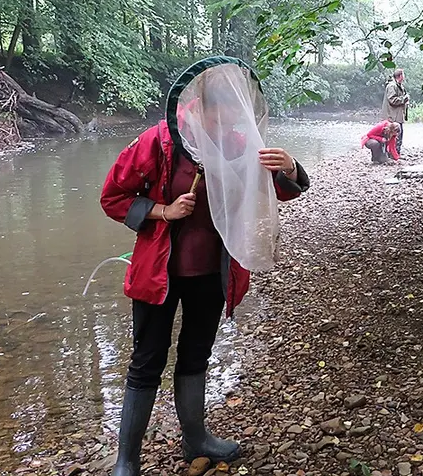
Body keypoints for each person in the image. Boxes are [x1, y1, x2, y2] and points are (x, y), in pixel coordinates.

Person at [100, 57, 310, 476]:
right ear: (199, 106)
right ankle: (127, 460)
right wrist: (163, 209)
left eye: (239, 109)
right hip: (159, 273)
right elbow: (112, 197)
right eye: (225, 109)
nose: (234, 119)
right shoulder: (158, 141)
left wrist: (289, 168)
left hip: (213, 272)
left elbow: (281, 192)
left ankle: (195, 438)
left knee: (196, 354)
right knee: (147, 360)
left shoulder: (238, 143)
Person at [380, 68, 409, 154]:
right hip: (392, 116)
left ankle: (395, 153)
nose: (404, 77)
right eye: (403, 75)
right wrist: (404, 98)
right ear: (400, 76)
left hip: (397, 115)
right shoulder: (392, 86)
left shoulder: (398, 85)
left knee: (398, 135)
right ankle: (392, 153)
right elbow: (392, 99)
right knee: (394, 135)